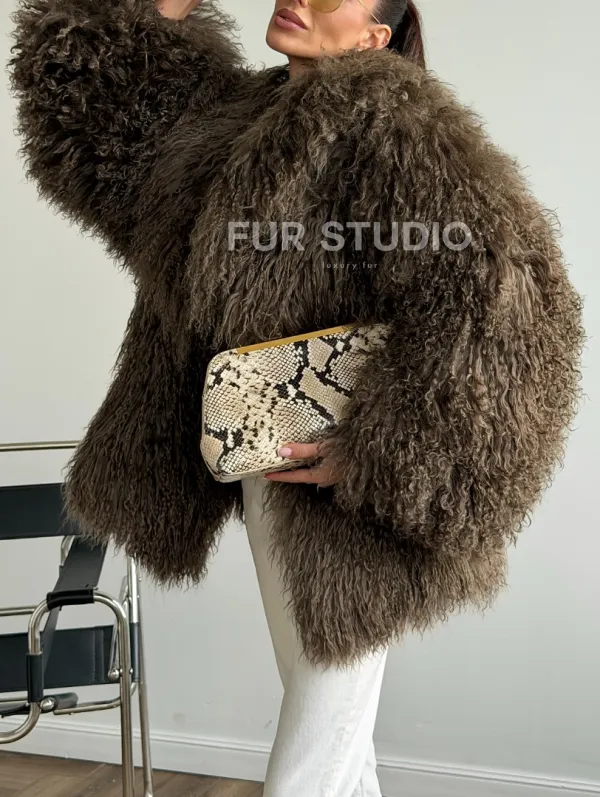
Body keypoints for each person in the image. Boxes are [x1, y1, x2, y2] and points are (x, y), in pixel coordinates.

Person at [9, 1, 584, 795]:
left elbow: (507, 297)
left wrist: (379, 452)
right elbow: (100, 115)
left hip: (359, 498)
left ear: (374, 38)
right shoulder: (237, 117)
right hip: (270, 451)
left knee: (313, 761)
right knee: (338, 751)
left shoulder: (396, 123)